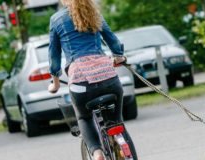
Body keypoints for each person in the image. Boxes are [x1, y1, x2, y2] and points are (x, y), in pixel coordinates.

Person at [47, 0, 137, 160]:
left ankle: (96, 153)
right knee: (117, 121)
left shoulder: (57, 19)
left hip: (81, 84)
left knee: (84, 117)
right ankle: (120, 140)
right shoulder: (94, 13)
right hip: (109, 79)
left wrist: (55, 83)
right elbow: (112, 39)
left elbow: (54, 55)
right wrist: (118, 56)